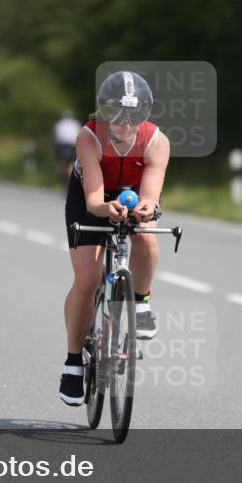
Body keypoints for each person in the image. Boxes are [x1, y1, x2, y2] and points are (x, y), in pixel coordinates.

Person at [59, 71, 170, 406]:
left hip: (133, 193)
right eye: (116, 117)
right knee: (88, 278)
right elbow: (93, 202)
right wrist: (107, 207)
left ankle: (141, 302)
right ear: (104, 114)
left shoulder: (157, 142)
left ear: (144, 116)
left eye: (133, 116)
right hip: (90, 198)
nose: (124, 124)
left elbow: (150, 195)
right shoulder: (89, 138)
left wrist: (146, 209)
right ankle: (74, 362)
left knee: (147, 239)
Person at [53, 110, 82, 182]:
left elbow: (57, 138)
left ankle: (61, 174)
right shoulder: (76, 123)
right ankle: (71, 179)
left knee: (62, 162)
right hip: (73, 146)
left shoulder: (59, 124)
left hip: (62, 146)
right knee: (72, 163)